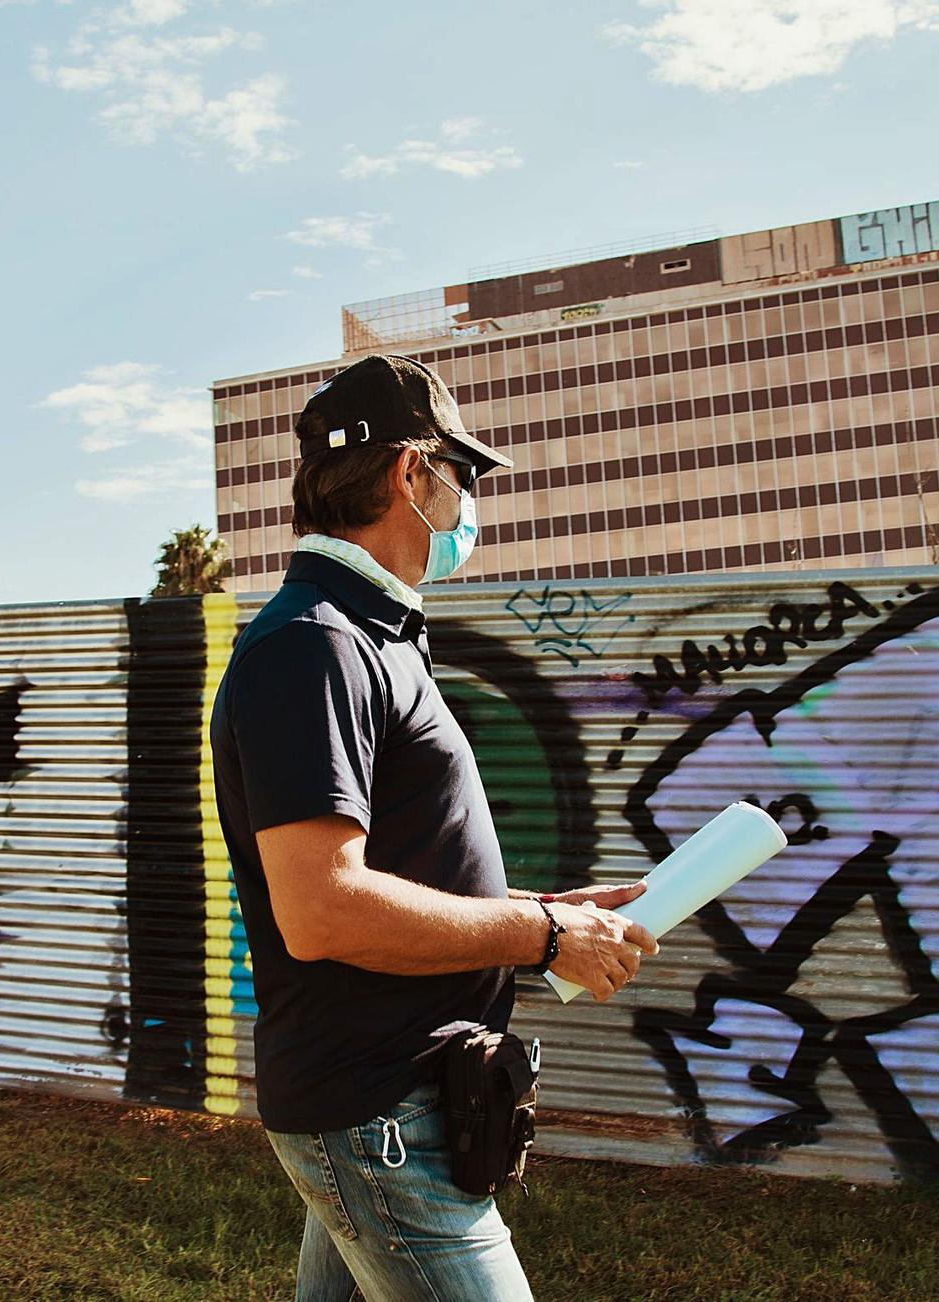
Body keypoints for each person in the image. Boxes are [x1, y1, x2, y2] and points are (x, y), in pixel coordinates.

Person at [208, 354, 659, 1300]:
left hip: (396, 1096)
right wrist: (540, 937)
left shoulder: (365, 636)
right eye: (459, 473)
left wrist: (540, 909)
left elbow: (401, 869)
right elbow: (323, 910)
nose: (463, 501)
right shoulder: (316, 644)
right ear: (412, 474)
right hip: (380, 1113)